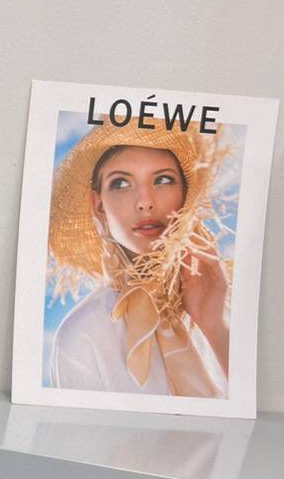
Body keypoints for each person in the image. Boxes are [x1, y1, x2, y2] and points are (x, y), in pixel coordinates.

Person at [48, 118, 231, 397]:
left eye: (163, 180)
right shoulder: (82, 336)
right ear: (99, 206)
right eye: (121, 183)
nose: (145, 201)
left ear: (185, 194)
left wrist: (215, 325)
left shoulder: (228, 305)